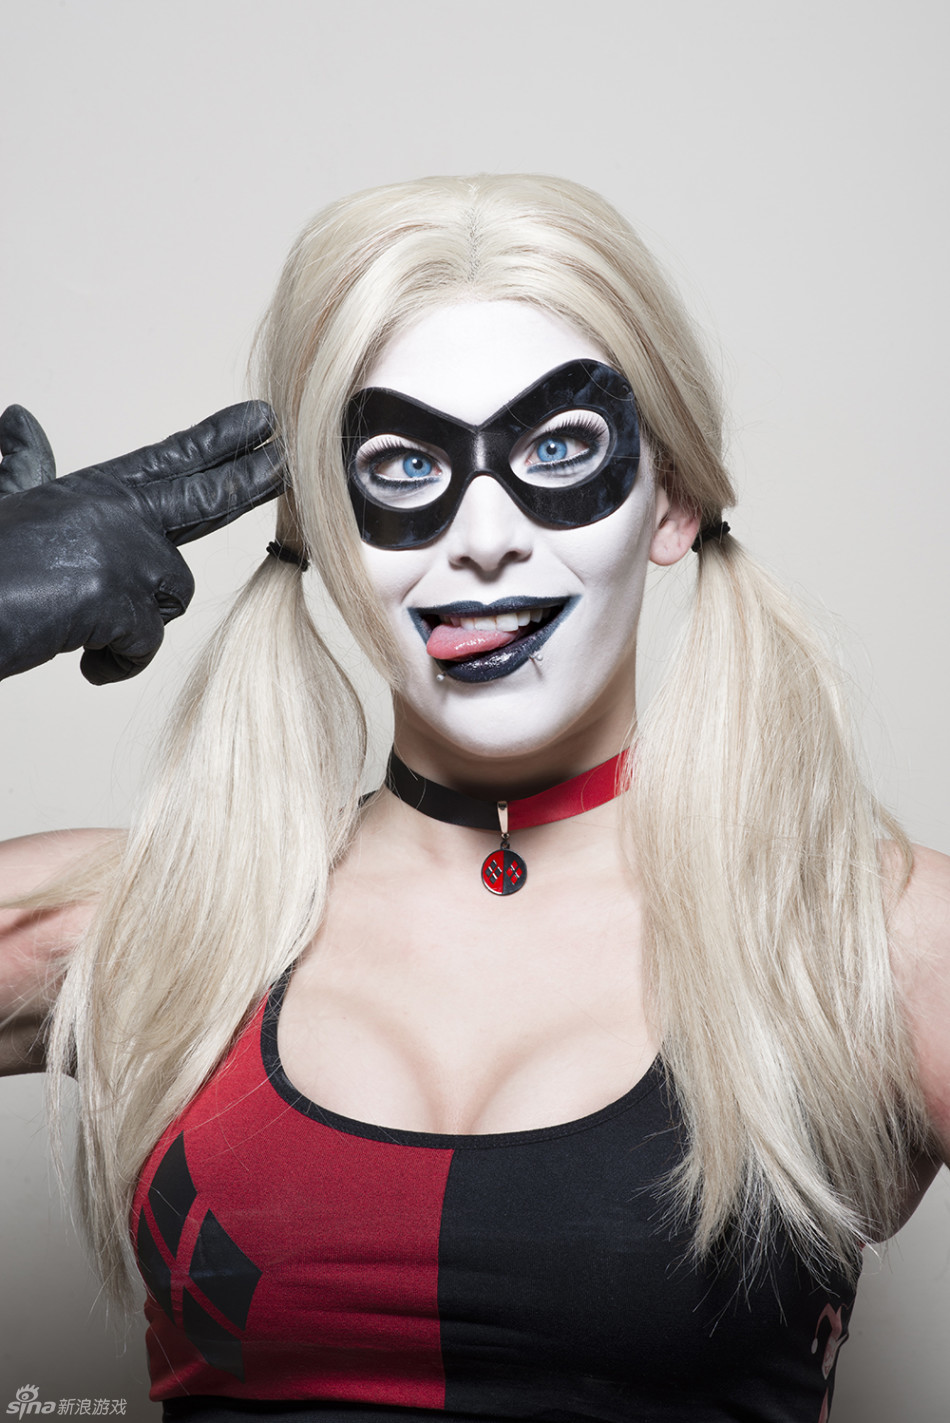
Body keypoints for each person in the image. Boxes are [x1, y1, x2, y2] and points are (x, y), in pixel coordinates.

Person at [1, 173, 947, 1420]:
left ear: (671, 499)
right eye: (403, 462)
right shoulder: (167, 925)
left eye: (557, 448)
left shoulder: (866, 940)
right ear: (328, 526)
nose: (483, 534)